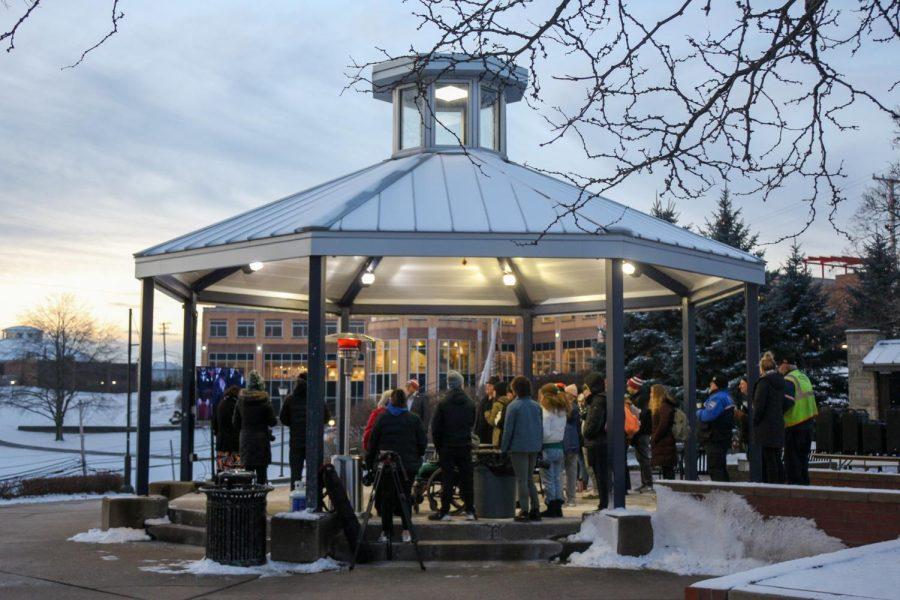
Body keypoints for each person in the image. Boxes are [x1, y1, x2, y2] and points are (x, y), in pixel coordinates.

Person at [366, 388, 428, 543]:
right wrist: (416, 457)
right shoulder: (413, 419)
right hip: (407, 467)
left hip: (387, 465)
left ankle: (386, 532)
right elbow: (422, 443)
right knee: (405, 497)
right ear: (404, 402)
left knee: (387, 498)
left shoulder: (382, 418)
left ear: (391, 401)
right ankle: (407, 530)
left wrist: (369, 463)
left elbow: (372, 443)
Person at [429, 370, 477, 521]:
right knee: (467, 478)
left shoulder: (443, 403)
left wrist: (439, 446)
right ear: (461, 384)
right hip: (464, 445)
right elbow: (471, 424)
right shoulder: (470, 403)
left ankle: (445, 511)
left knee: (447, 479)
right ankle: (470, 510)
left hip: (447, 446)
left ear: (449, 385)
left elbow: (436, 428)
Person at [501, 376, 544, 522]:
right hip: (534, 447)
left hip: (518, 447)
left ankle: (524, 510)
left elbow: (508, 430)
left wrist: (504, 448)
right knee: (529, 478)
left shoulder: (513, 407)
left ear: (515, 390)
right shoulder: (536, 406)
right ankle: (536, 509)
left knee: (521, 480)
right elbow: (540, 427)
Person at [279, 373, 332, 485]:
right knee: (313, 474)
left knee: (296, 475)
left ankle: (295, 499)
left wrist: (294, 424)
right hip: (313, 442)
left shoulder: (290, 399)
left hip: (296, 443)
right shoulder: (317, 398)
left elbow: (283, 419)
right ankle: (314, 499)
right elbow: (327, 418)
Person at [753, 352, 791, 484]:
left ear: (762, 368)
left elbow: (759, 406)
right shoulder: (781, 381)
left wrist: (754, 422)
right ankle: (780, 484)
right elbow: (786, 402)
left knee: (768, 459)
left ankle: (772, 487)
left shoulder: (763, 383)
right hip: (778, 423)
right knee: (776, 457)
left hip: (765, 426)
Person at [233, 370, 276, 484]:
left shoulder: (241, 400)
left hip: (246, 440)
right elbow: (272, 421)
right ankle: (260, 499)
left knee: (247, 473)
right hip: (261, 441)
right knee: (262, 473)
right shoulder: (265, 400)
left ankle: (247, 500)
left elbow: (235, 422)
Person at [779, 359, 817, 485]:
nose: (778, 368)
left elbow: (787, 402)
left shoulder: (789, 379)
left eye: (779, 365)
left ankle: (795, 490)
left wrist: (777, 413)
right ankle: (805, 487)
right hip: (808, 423)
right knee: (803, 460)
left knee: (792, 461)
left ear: (785, 365)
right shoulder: (803, 376)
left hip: (794, 424)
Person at [697, 375, 735, 482]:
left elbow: (708, 415)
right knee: (720, 467)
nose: (710, 384)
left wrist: (698, 412)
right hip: (722, 437)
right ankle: (727, 493)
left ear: (717, 385)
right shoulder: (726, 396)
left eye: (712, 383)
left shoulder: (718, 397)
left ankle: (720, 494)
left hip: (715, 437)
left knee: (715, 468)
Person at [538, 383, 568, 517]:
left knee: (548, 479)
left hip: (548, 448)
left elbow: (544, 432)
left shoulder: (546, 411)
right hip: (559, 447)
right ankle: (558, 505)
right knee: (558, 478)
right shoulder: (562, 410)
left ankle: (551, 505)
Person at [581, 372, 609, 510]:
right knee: (602, 474)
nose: (584, 390)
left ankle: (603, 503)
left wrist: (586, 433)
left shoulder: (597, 401)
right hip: (600, 442)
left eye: (586, 387)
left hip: (597, 443)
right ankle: (604, 502)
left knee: (600, 474)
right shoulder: (601, 399)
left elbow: (593, 424)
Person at [627, 377, 653, 493]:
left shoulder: (642, 399)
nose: (627, 388)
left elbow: (640, 415)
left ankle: (648, 483)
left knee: (643, 458)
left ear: (634, 387)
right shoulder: (638, 398)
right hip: (640, 432)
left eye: (629, 386)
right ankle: (645, 483)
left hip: (642, 432)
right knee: (641, 458)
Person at [650, 385, 678, 480]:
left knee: (667, 469)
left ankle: (670, 491)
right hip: (664, 442)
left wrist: (654, 438)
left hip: (665, 442)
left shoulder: (663, 406)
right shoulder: (663, 406)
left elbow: (663, 424)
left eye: (652, 392)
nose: (651, 394)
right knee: (666, 468)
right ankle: (669, 489)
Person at [212, 385, 241, 472]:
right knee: (236, 471)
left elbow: (214, 424)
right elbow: (238, 424)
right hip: (234, 443)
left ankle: (221, 483)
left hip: (221, 443)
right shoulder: (236, 406)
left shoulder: (220, 404)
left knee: (222, 470)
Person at [563, 383, 583, 507]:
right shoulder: (576, 409)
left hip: (564, 443)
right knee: (572, 472)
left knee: (561, 472)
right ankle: (571, 498)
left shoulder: (564, 409)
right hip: (574, 443)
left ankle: (564, 498)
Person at [475, 375, 500, 445]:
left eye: (490, 385)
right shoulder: (484, 400)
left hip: (489, 438)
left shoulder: (496, 402)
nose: (487, 386)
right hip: (480, 436)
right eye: (487, 384)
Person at [488, 381, 513, 448]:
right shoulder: (511, 402)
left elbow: (493, 421)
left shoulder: (497, 404)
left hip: (498, 436)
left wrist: (487, 414)